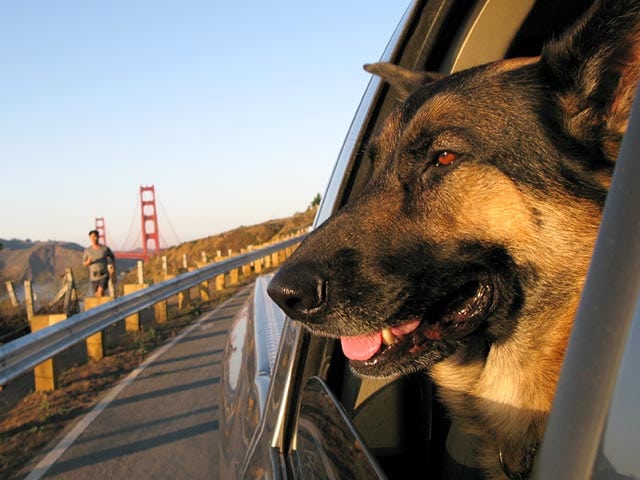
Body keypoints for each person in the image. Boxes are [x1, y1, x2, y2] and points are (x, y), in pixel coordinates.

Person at [83, 229, 116, 297]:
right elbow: (84, 263)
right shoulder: (87, 251)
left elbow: (112, 257)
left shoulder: (105, 249)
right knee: (97, 296)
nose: (93, 238)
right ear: (90, 238)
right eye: (91, 237)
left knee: (100, 293)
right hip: (93, 277)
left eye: (95, 236)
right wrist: (88, 262)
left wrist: (112, 266)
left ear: (98, 237)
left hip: (104, 275)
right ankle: (106, 306)